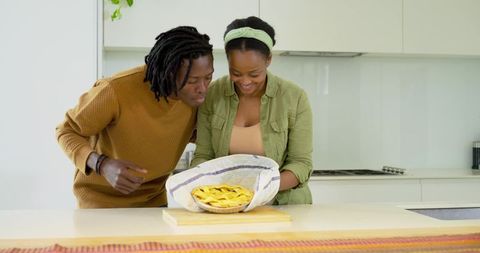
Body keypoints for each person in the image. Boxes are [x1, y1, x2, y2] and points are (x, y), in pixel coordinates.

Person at [56, 26, 214, 208]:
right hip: (99, 206)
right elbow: (66, 131)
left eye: (208, 77)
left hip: (153, 204)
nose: (202, 88)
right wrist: (102, 164)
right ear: (169, 73)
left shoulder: (195, 100)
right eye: (192, 81)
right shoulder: (115, 91)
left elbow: (208, 139)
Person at [190, 17, 313, 205]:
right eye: (236, 73)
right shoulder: (213, 95)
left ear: (269, 60)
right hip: (226, 204)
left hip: (284, 206)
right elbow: (203, 156)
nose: (245, 81)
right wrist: (202, 184)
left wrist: (256, 189)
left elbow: (301, 164)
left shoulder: (294, 98)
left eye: (254, 74)